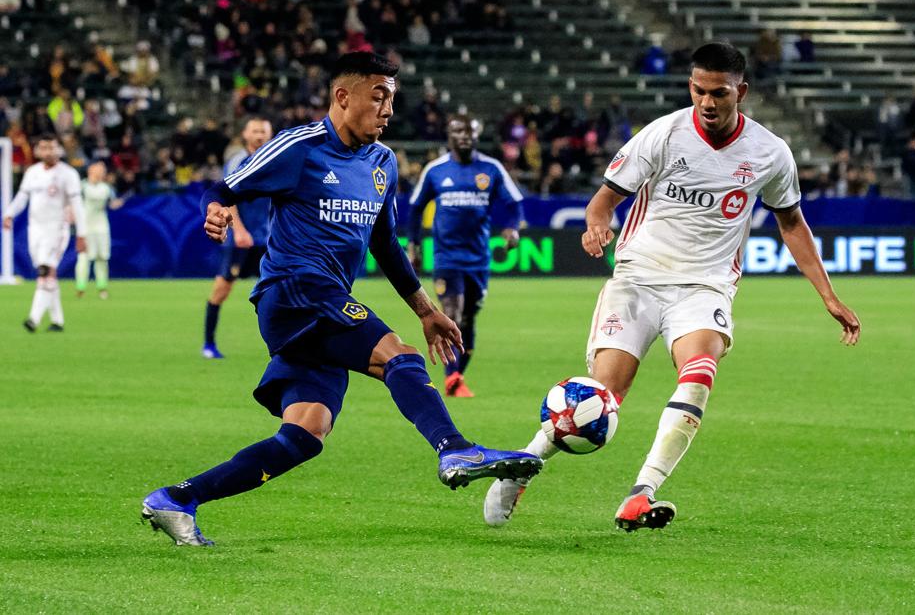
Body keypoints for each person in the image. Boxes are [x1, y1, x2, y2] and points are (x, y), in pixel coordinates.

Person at [141, 52, 542, 546]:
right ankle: (454, 447)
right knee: (401, 356)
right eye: (379, 96)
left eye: (392, 98)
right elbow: (226, 187)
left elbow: (385, 245)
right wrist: (219, 212)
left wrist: (427, 310)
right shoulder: (300, 146)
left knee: (304, 435)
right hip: (294, 291)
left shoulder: (382, 162)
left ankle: (177, 498)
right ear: (342, 96)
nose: (388, 109)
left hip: (322, 305)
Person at [483, 43, 861, 532]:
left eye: (719, 93)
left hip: (705, 287)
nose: (707, 102)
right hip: (638, 280)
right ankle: (522, 468)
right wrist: (597, 226)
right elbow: (602, 202)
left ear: (740, 92)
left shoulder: (770, 153)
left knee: (700, 372)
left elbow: (793, 224)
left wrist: (828, 295)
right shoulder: (662, 134)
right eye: (699, 90)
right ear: (690, 87)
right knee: (603, 395)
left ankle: (642, 493)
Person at [407, 115, 524, 397]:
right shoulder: (436, 170)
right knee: (452, 313)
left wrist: (511, 229)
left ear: (477, 133)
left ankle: (457, 375)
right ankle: (452, 379)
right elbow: (415, 208)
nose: (465, 136)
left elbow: (514, 203)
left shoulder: (491, 168)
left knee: (469, 318)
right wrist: (415, 246)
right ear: (449, 134)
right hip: (447, 257)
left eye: (470, 131)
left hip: (479, 258)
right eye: (459, 131)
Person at [202, 116, 274, 358]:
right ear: (245, 134)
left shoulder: (276, 160)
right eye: (255, 131)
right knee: (222, 289)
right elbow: (226, 198)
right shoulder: (238, 161)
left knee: (280, 292)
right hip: (241, 239)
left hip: (268, 239)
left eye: (263, 131)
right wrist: (239, 231)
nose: (259, 135)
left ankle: (285, 348)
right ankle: (209, 344)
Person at [2, 134, 86, 331]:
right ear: (38, 150)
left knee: (45, 271)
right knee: (48, 275)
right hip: (35, 230)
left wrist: (82, 233)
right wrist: (9, 213)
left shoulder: (68, 174)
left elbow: (77, 205)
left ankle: (34, 318)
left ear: (59, 149)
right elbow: (23, 197)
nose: (48, 151)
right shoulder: (32, 172)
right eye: (44, 147)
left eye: (52, 147)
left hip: (57, 229)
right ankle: (58, 321)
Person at [75, 162, 123, 299]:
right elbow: (73, 202)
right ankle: (80, 287)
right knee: (84, 257)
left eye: (104, 170)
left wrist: (115, 205)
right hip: (86, 226)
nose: (103, 172)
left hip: (102, 226)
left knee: (102, 257)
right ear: (92, 170)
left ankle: (102, 287)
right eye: (100, 170)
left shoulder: (107, 188)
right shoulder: (82, 186)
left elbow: (112, 202)